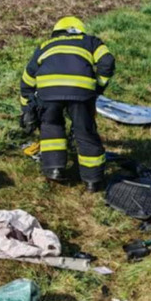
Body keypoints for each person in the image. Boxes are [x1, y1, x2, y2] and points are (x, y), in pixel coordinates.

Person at [20, 16, 115, 192]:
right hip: (81, 91)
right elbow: (107, 61)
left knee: (51, 126)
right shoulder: (91, 41)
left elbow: (27, 78)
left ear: (56, 32)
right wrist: (98, 87)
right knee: (85, 132)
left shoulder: (45, 46)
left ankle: (54, 169)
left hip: (48, 92)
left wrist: (27, 108)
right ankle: (92, 181)